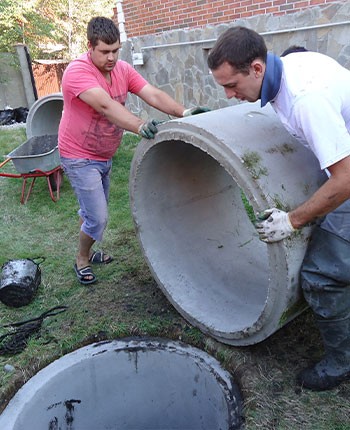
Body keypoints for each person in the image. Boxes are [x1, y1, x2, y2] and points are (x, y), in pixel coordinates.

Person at [207, 26, 350, 391]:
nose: (229, 95)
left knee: (321, 274)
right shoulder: (287, 67)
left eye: (232, 85)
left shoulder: (306, 101)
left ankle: (340, 364)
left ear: (256, 68)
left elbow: (345, 180)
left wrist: (292, 219)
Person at [58, 16, 209, 286]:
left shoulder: (123, 70)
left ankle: (88, 245)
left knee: (92, 213)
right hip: (79, 155)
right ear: (89, 46)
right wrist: (140, 125)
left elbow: (151, 93)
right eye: (105, 51)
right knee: (98, 217)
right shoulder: (77, 72)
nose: (112, 57)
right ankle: (82, 258)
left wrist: (183, 112)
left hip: (104, 154)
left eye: (116, 50)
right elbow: (105, 106)